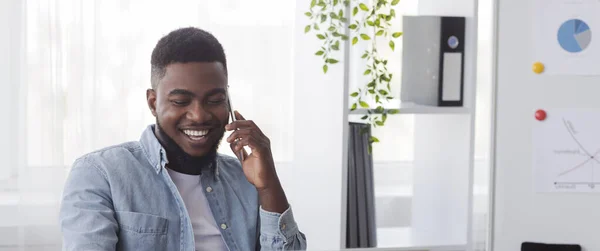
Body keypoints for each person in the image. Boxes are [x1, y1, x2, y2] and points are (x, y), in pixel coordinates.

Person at [59, 27, 307, 251]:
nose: (199, 115)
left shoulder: (247, 181)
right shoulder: (100, 174)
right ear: (153, 102)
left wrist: (268, 186)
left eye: (214, 100)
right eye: (180, 101)